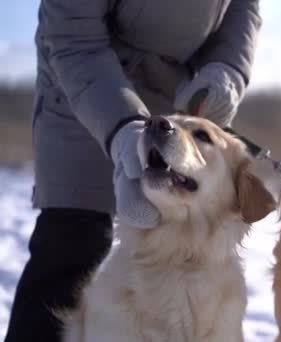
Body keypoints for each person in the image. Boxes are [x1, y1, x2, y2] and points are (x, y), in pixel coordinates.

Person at [4, 0, 261, 341]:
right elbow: (73, 38)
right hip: (81, 85)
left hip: (175, 93)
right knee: (73, 238)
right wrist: (123, 128)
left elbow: (243, 9)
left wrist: (226, 72)